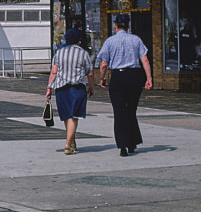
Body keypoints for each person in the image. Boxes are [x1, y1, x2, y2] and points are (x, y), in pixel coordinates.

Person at [97, 14, 153, 157]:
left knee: (119, 111)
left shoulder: (109, 41)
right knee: (131, 110)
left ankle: (122, 145)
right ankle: (132, 142)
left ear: (115, 26)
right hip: (134, 76)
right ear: (128, 26)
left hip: (118, 76)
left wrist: (102, 79)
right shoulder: (136, 40)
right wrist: (149, 78)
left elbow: (103, 64)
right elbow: (145, 59)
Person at [46, 28, 95, 155]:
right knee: (74, 116)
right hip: (77, 87)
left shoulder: (59, 53)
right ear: (78, 40)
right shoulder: (83, 53)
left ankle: (72, 142)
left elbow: (54, 72)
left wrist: (49, 88)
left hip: (61, 88)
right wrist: (91, 87)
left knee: (67, 116)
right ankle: (68, 144)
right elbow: (90, 73)